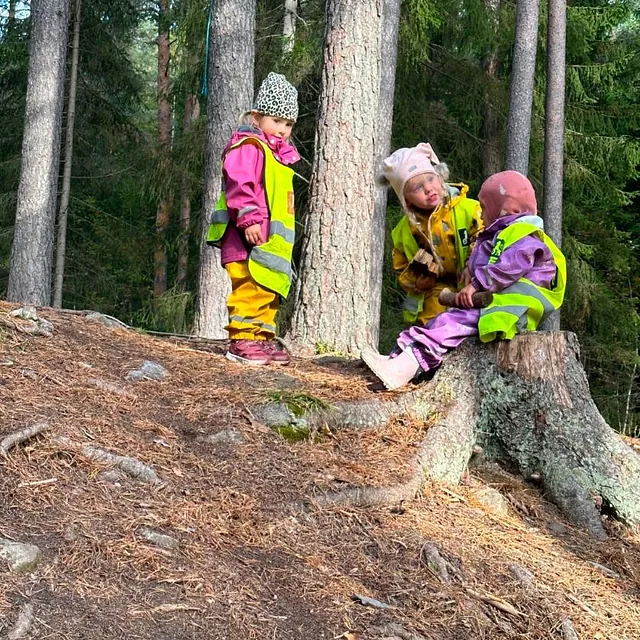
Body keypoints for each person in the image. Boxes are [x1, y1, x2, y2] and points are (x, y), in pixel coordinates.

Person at [362, 170, 566, 390]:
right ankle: (398, 358)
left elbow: (508, 267)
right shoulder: (507, 234)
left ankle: (401, 370)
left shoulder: (523, 235)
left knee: (448, 326)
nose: (481, 215)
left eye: (485, 209)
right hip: (493, 306)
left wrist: (477, 284)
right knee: (442, 321)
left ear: (505, 210)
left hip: (505, 311)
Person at [207, 72, 300, 365]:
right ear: (257, 118)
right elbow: (240, 184)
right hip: (244, 238)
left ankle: (261, 338)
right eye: (276, 121)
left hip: (269, 244)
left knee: (267, 290)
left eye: (288, 124)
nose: (283, 129)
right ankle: (243, 339)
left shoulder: (278, 156)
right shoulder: (249, 146)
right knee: (249, 286)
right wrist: (248, 220)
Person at [384, 143, 484, 326]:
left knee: (474, 321)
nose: (428, 189)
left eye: (431, 179)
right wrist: (416, 282)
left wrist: (472, 265)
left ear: (440, 178)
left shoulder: (469, 209)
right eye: (417, 188)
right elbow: (401, 268)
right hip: (434, 291)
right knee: (434, 324)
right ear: (406, 199)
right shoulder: (404, 231)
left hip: (472, 282)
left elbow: (484, 238)